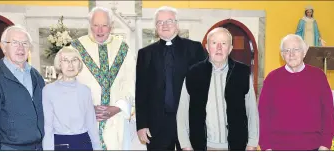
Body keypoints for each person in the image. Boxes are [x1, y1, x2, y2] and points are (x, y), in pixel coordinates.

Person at [135, 6, 207, 150]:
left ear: (177, 24)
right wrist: (141, 125)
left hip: (188, 122)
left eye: (169, 21)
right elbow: (141, 91)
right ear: (156, 27)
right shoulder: (145, 53)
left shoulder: (195, 48)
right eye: (160, 22)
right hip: (157, 125)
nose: (165, 25)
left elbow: (205, 85)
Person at [176, 27, 259, 151]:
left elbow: (251, 110)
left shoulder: (241, 73)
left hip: (236, 146)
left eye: (224, 43)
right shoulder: (193, 73)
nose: (219, 47)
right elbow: (182, 113)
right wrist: (186, 145)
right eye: (214, 43)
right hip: (202, 146)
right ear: (207, 47)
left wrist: (252, 143)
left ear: (230, 48)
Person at [69, 6, 137, 150]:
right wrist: (86, 107)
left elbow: (131, 83)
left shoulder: (123, 49)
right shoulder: (76, 48)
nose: (100, 30)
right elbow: (68, 83)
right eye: (95, 25)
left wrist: (118, 107)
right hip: (84, 119)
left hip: (115, 121)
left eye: (104, 25)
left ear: (111, 26)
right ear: (90, 25)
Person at [258, 34, 334, 150]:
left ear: (304, 52)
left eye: (296, 49)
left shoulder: (319, 76)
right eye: (287, 50)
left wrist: (325, 145)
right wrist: (266, 147)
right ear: (282, 55)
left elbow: (327, 112)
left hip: (312, 146)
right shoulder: (272, 78)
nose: (291, 54)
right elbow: (263, 115)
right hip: (278, 147)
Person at [0, 25, 45, 150]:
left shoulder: (35, 75)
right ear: (4, 47)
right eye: (15, 43)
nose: (21, 47)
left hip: (39, 147)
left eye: (25, 43)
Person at [42, 47, 101, 150]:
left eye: (74, 60)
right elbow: (47, 127)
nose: (70, 65)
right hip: (61, 144)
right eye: (65, 60)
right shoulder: (48, 90)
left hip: (84, 143)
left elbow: (91, 124)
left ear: (79, 64)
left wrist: (98, 148)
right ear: (59, 64)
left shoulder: (85, 90)